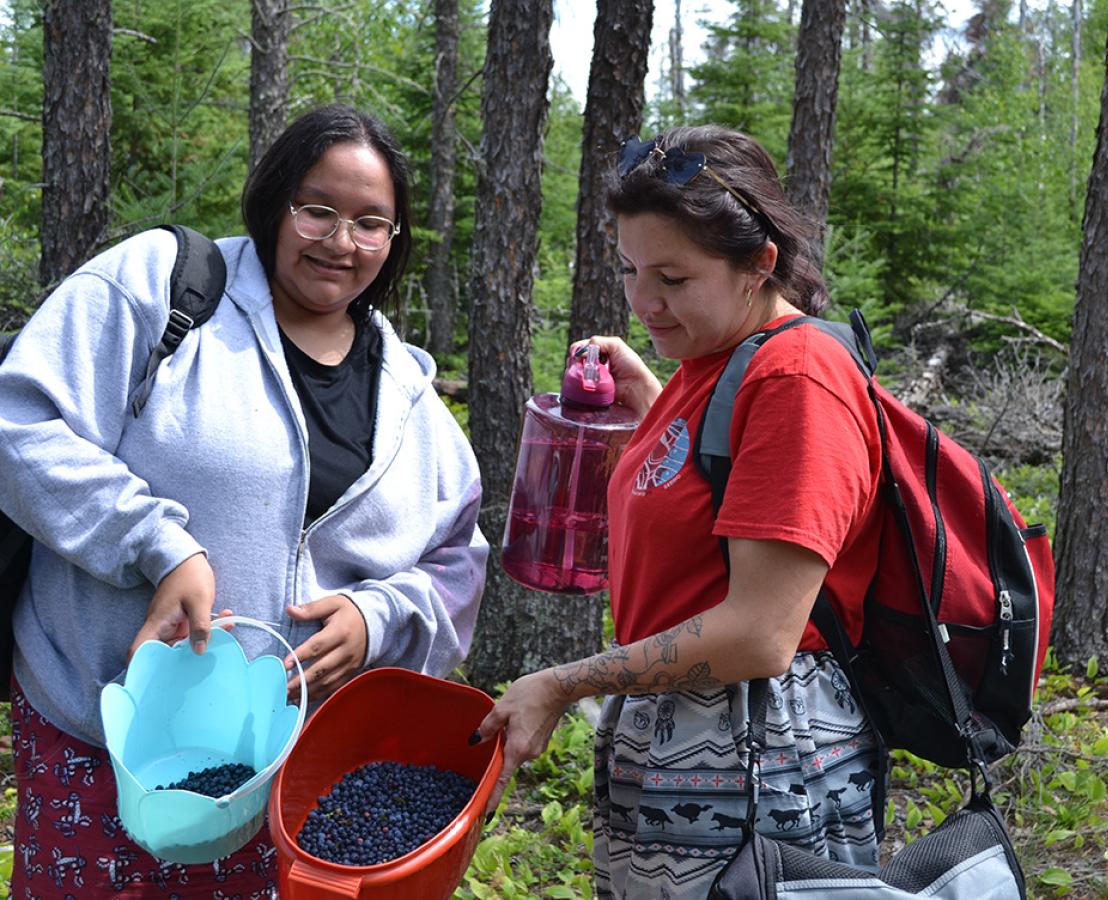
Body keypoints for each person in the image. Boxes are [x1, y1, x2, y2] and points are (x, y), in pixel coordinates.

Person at [0, 104, 488, 896]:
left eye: (372, 223)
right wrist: (160, 545)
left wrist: (378, 617)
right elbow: (20, 422)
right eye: (318, 209)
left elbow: (457, 559)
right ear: (273, 202)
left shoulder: (409, 396)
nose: (340, 241)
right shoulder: (162, 288)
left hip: (286, 773)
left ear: (395, 242)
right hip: (107, 741)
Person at [474, 124, 888, 899]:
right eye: (630, 270)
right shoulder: (718, 363)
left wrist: (565, 682)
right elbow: (724, 507)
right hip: (691, 744)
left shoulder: (797, 377)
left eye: (672, 276)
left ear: (759, 264)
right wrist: (657, 404)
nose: (642, 302)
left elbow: (763, 633)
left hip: (756, 755)